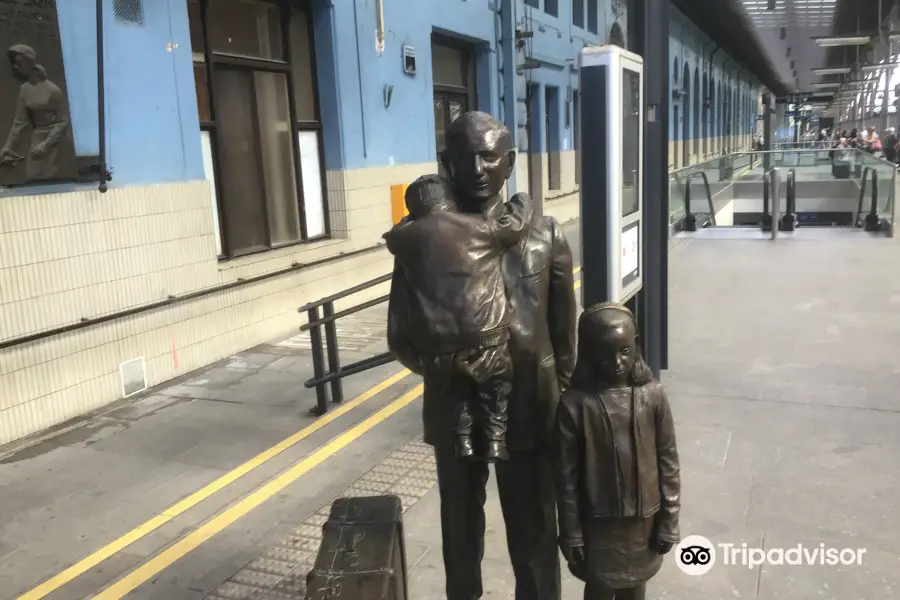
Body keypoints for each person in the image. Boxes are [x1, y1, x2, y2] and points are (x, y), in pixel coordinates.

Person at [387, 111, 577, 600]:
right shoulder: (423, 238)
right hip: (454, 402)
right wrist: (448, 366)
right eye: (464, 156)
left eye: (488, 155)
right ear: (446, 162)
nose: (476, 167)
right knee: (459, 535)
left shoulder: (547, 235)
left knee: (535, 535)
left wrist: (567, 405)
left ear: (508, 162)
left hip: (532, 406)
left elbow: (563, 334)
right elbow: (400, 334)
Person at [383, 174, 534, 461]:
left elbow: (395, 233)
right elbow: (516, 225)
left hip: (438, 342)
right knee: (497, 384)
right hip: (487, 334)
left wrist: (408, 221)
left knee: (456, 390)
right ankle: (495, 438)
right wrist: (522, 200)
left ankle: (463, 438)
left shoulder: (403, 238)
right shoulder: (480, 226)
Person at [554, 303, 681, 600]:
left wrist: (669, 519)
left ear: (635, 346)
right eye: (605, 353)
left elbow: (668, 461)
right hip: (596, 525)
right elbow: (566, 479)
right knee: (599, 587)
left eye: (625, 351)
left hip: (644, 522)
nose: (616, 362)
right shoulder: (575, 405)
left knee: (636, 587)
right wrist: (571, 530)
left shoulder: (652, 396)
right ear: (587, 353)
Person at [0, 45, 74, 181]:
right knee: (32, 177)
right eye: (13, 64)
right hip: (37, 139)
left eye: (19, 62)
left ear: (29, 62)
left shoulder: (53, 90)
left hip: (55, 142)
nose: (15, 67)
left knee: (50, 179)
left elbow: (63, 121)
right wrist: (8, 147)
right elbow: (19, 122)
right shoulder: (24, 90)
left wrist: (46, 144)